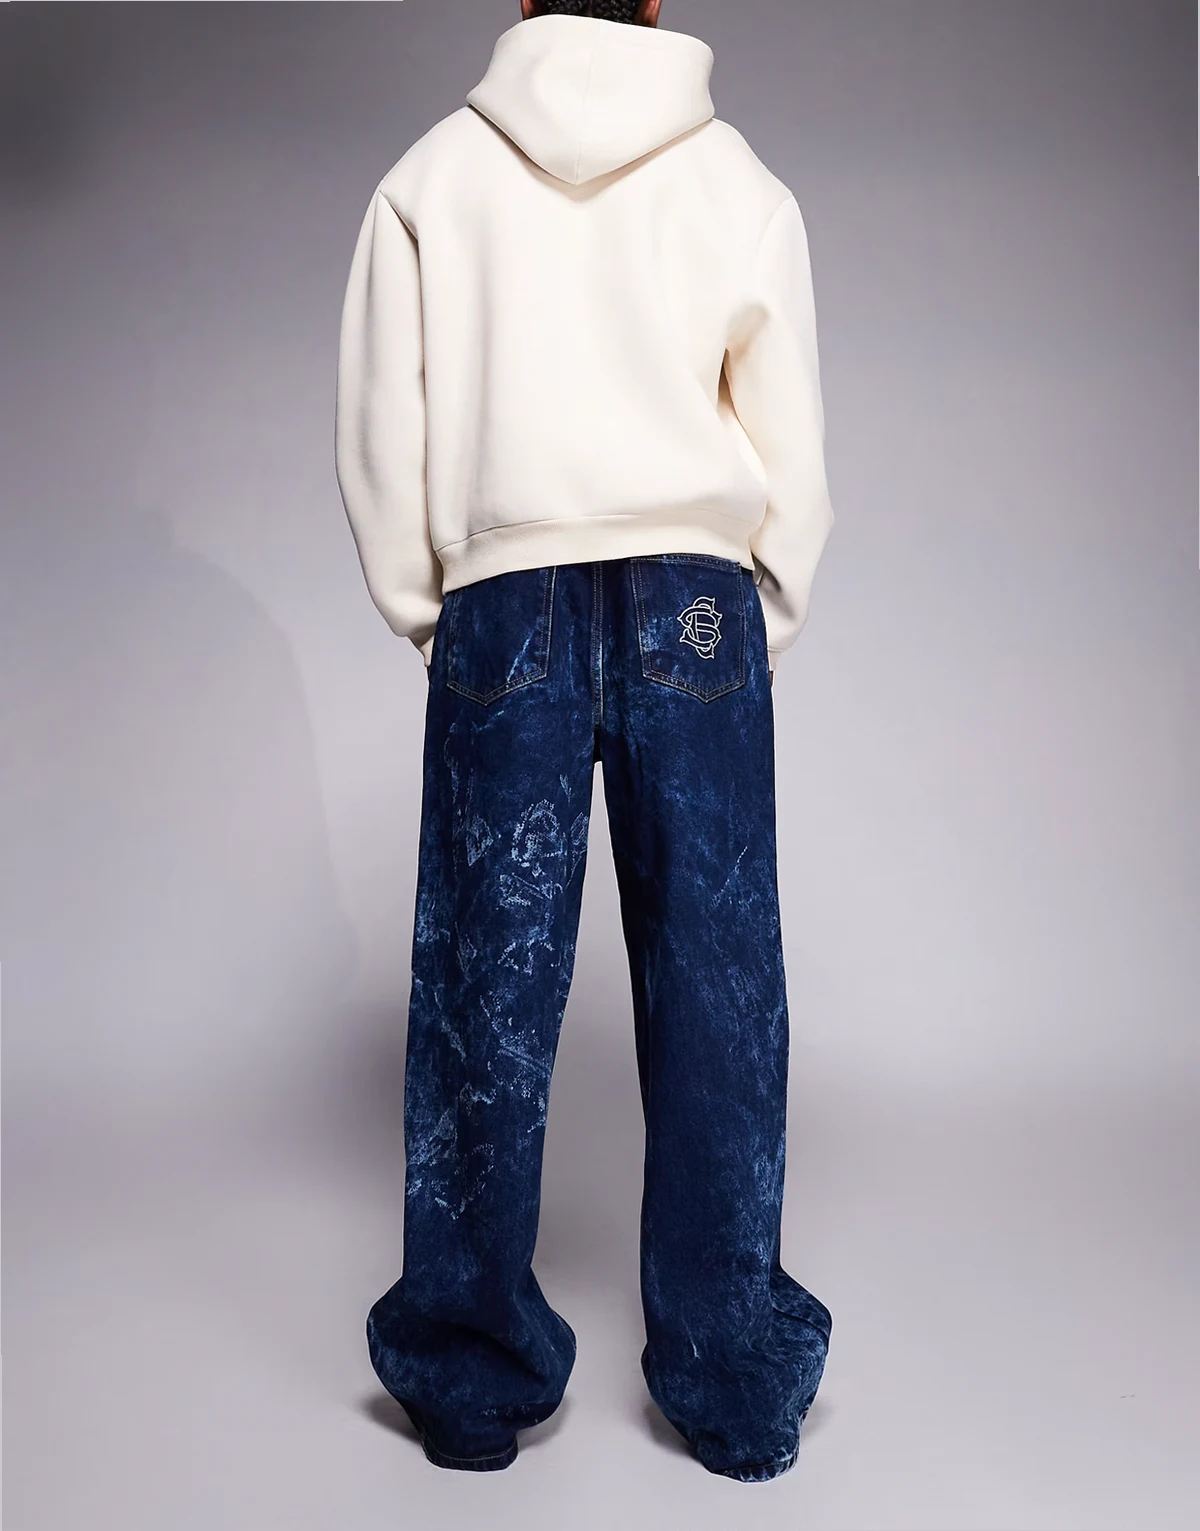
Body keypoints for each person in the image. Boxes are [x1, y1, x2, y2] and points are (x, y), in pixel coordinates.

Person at [334, 0, 835, 1484]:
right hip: (697, 596)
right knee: (719, 989)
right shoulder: (738, 180)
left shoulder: (431, 177)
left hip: (508, 595)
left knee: (484, 990)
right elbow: (791, 444)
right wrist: (755, 616)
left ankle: (469, 1372)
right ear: (658, 3)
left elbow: (382, 429)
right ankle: (734, 1380)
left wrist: (438, 617)